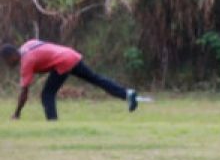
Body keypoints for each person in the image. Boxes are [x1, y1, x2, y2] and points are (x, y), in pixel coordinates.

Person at [2, 39, 139, 121]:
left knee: (47, 94)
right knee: (96, 79)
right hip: (70, 55)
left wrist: (17, 113)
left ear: (11, 56)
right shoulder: (27, 44)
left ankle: (53, 125)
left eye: (6, 61)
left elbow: (24, 93)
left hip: (62, 63)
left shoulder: (26, 62)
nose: (7, 64)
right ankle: (127, 93)